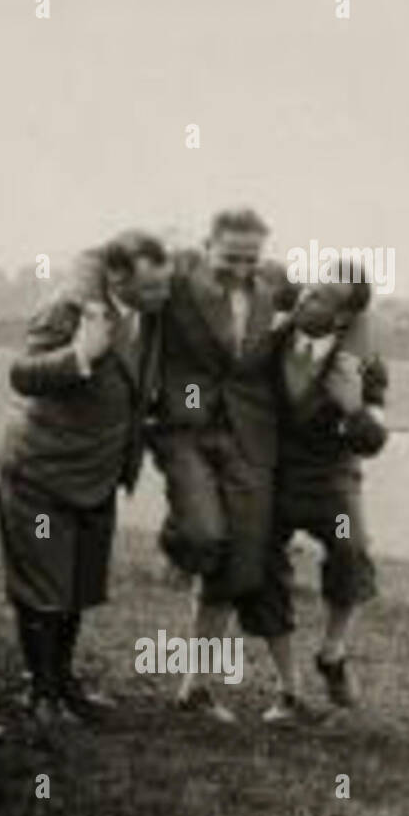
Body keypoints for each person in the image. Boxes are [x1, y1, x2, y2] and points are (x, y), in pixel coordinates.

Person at [0, 231, 171, 727]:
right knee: (41, 587)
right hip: (41, 473)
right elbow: (22, 374)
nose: (164, 297)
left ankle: (63, 682)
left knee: (76, 586)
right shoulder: (69, 310)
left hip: (96, 476)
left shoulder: (148, 314)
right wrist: (80, 356)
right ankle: (41, 691)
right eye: (153, 287)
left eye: (165, 286)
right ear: (117, 278)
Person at [153, 207, 284, 723]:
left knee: (236, 565)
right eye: (231, 256)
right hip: (187, 428)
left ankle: (197, 686)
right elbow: (110, 260)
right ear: (207, 244)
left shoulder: (273, 287)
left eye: (251, 258)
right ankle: (178, 538)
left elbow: (345, 302)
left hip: (250, 436)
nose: (241, 267)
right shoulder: (179, 280)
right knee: (206, 536)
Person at [245, 271, 388, 722]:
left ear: (343, 315)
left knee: (352, 550)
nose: (307, 297)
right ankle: (288, 690)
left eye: (322, 297)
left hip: (331, 481)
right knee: (260, 562)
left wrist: (353, 405)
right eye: (310, 289)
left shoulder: (365, 364)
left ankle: (332, 653)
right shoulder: (274, 341)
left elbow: (374, 440)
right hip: (275, 477)